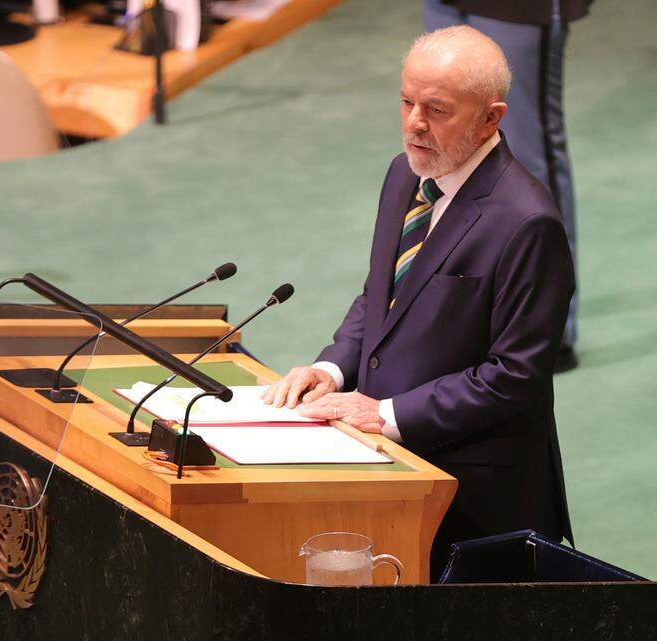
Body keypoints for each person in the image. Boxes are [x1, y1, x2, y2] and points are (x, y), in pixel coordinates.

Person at [262, 26, 575, 577]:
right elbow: (381, 295)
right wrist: (333, 368)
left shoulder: (527, 222)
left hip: (475, 496)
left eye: (437, 110)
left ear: (490, 118)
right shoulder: (404, 174)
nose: (414, 124)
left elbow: (513, 377)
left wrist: (385, 412)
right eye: (407, 102)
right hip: (394, 468)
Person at [423, 0, 594, 371]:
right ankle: (465, 315)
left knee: (531, 159)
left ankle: (550, 327)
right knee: (446, 147)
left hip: (520, 8)